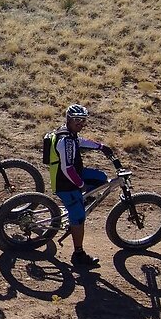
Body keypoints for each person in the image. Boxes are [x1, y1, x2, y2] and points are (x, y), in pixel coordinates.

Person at [46, 104, 113, 268]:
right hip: (65, 183)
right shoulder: (65, 141)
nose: (81, 123)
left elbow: (80, 141)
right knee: (78, 217)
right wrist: (81, 185)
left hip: (74, 174)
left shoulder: (69, 133)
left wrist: (101, 147)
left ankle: (81, 201)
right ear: (68, 119)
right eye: (77, 120)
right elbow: (67, 168)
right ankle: (78, 254)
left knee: (100, 177)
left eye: (83, 120)